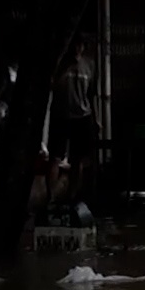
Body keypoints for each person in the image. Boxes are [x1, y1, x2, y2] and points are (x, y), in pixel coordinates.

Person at [47, 36, 100, 206]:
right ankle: (50, 197)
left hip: (82, 117)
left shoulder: (89, 65)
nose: (77, 48)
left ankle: (73, 197)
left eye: (80, 45)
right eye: (74, 44)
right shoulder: (60, 63)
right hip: (61, 116)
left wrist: (96, 118)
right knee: (55, 157)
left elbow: (92, 95)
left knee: (78, 160)